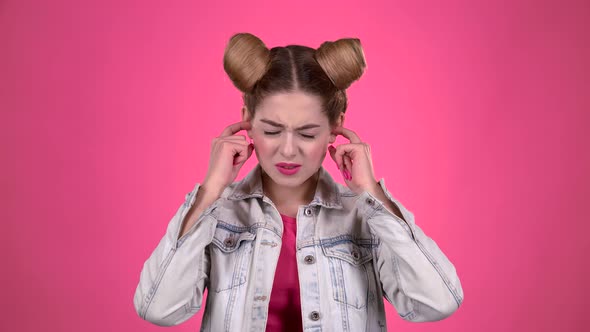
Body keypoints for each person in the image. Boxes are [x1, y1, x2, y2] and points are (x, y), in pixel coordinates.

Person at [133, 32, 464, 331]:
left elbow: (435, 303)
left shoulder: (363, 217)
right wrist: (210, 192)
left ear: (337, 126)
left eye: (307, 133)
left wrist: (372, 194)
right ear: (246, 120)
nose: (288, 150)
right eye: (272, 130)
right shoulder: (219, 214)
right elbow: (159, 309)